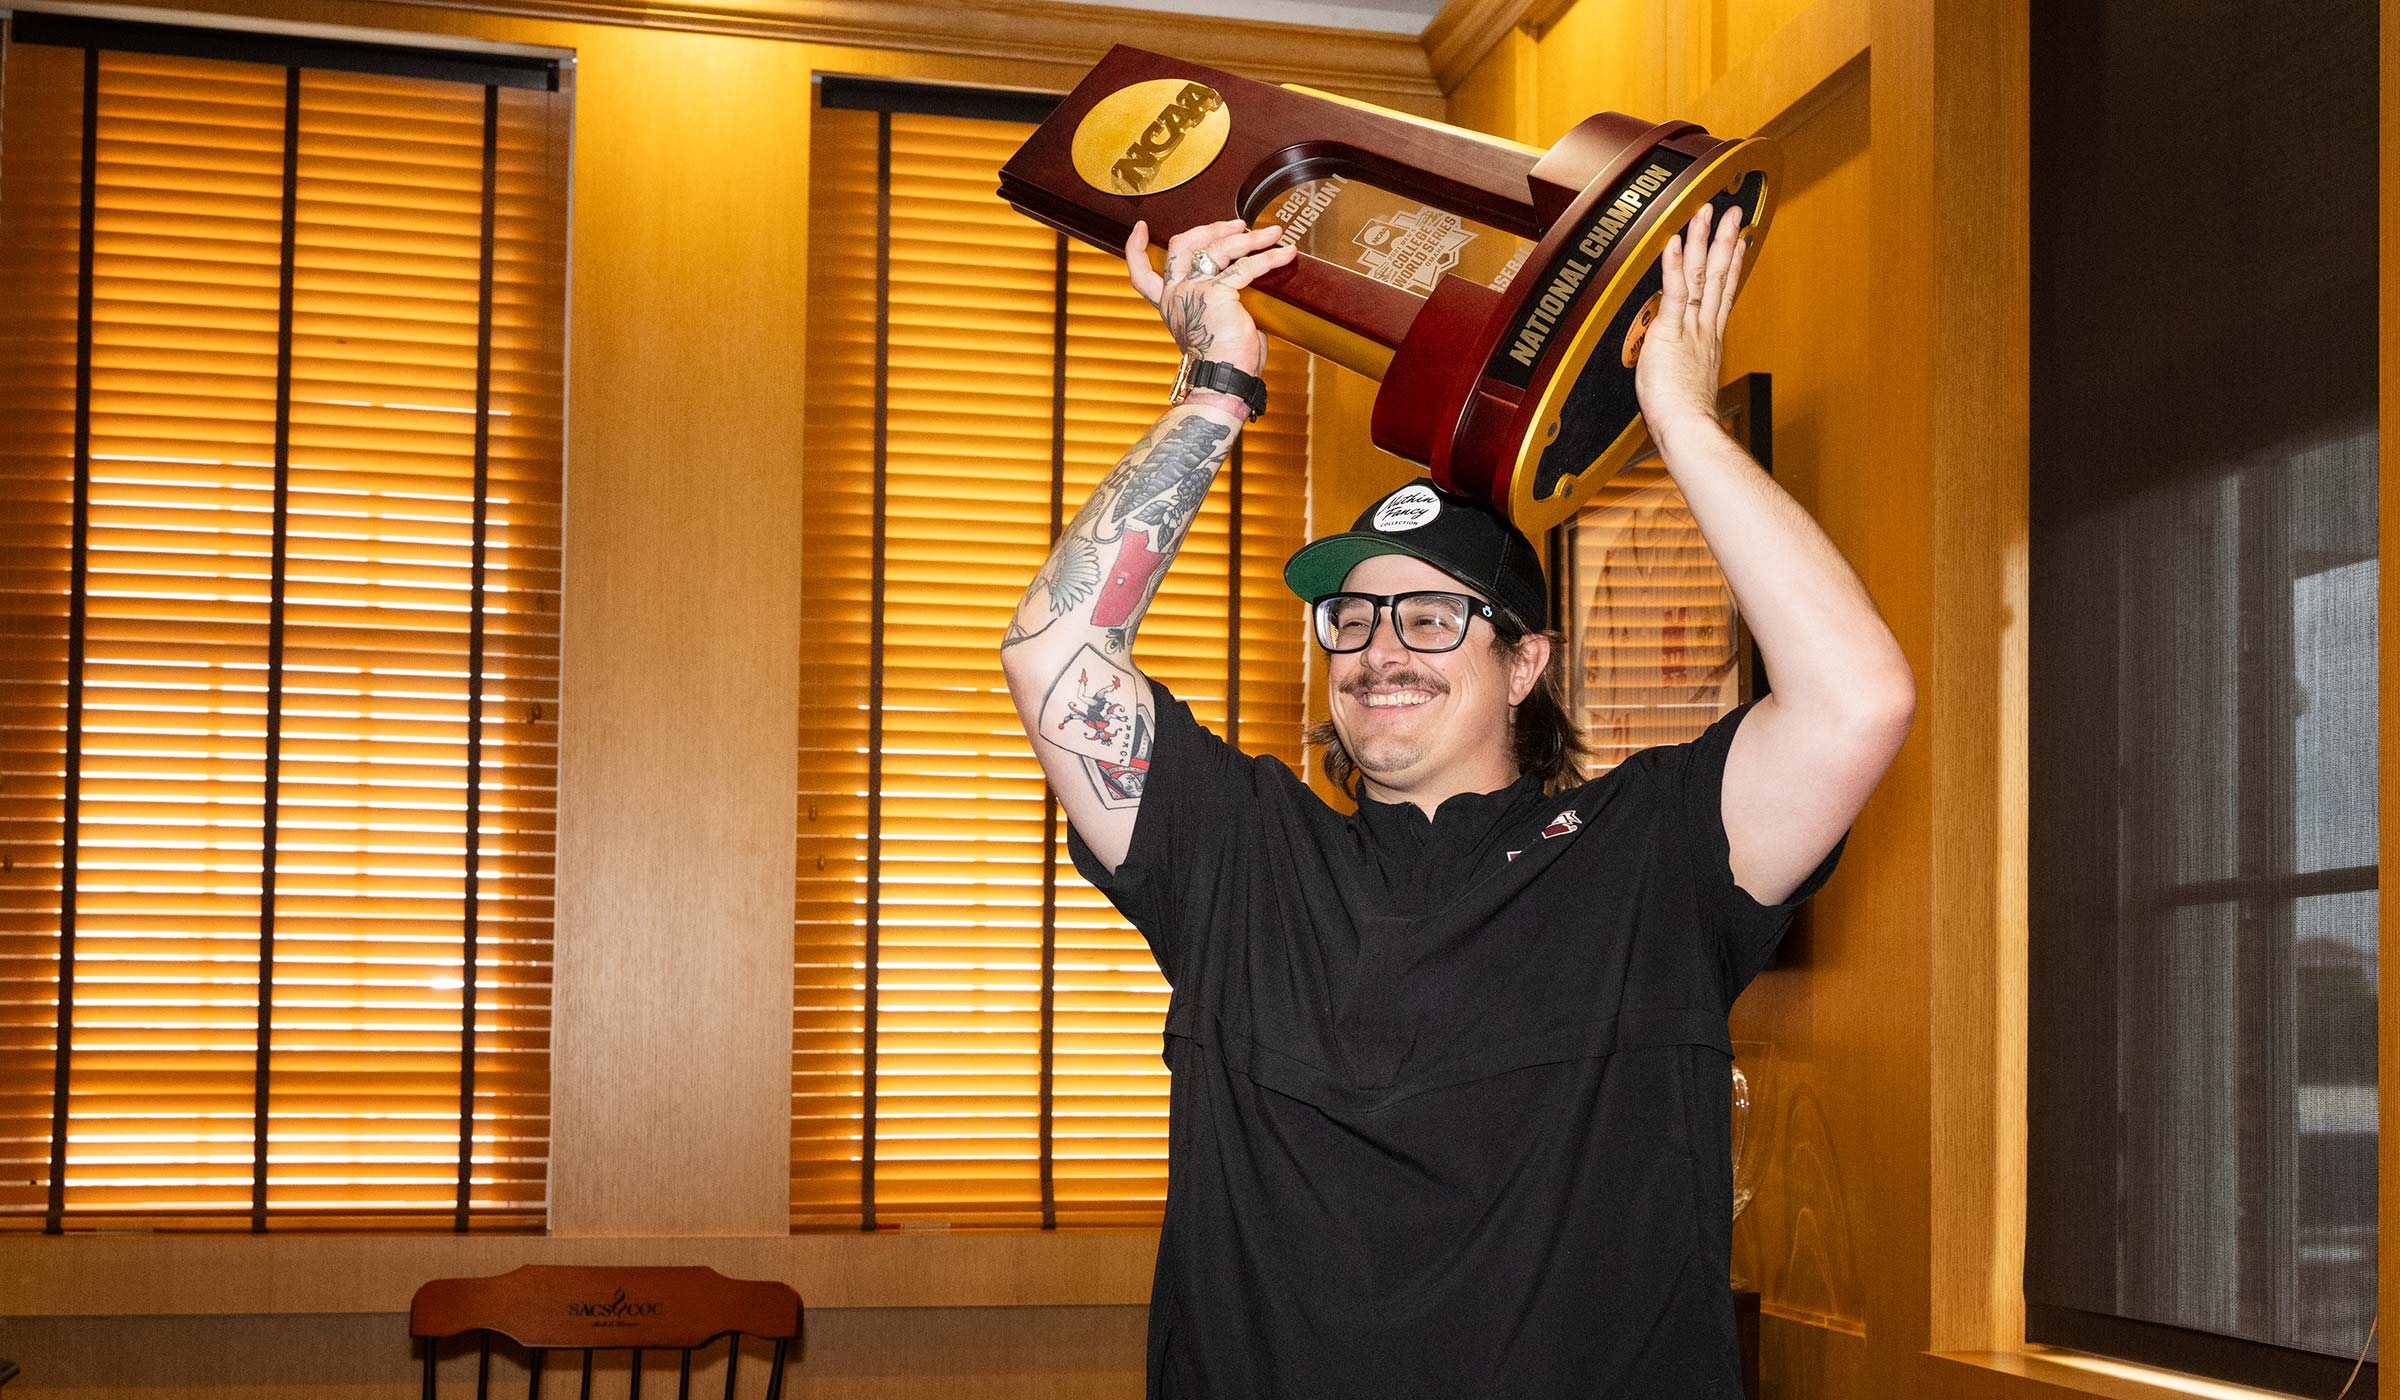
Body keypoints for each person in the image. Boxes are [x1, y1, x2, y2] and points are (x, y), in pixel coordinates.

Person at [999, 207, 1913, 1399]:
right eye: (1355, 618)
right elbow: (1055, 654)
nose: (1382, 650)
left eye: (1433, 617)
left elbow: (1858, 700)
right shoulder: (1243, 849)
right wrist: (1215, 385)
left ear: (1524, 664)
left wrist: (1680, 419)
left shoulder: (1650, 853)